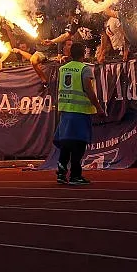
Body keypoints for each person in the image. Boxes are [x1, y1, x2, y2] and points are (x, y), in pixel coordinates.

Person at [54, 42, 103, 186]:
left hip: (65, 110)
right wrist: (98, 107)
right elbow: (88, 89)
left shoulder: (63, 69)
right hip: (80, 112)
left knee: (66, 143)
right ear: (84, 54)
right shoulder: (85, 69)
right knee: (79, 144)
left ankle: (61, 173)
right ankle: (75, 175)